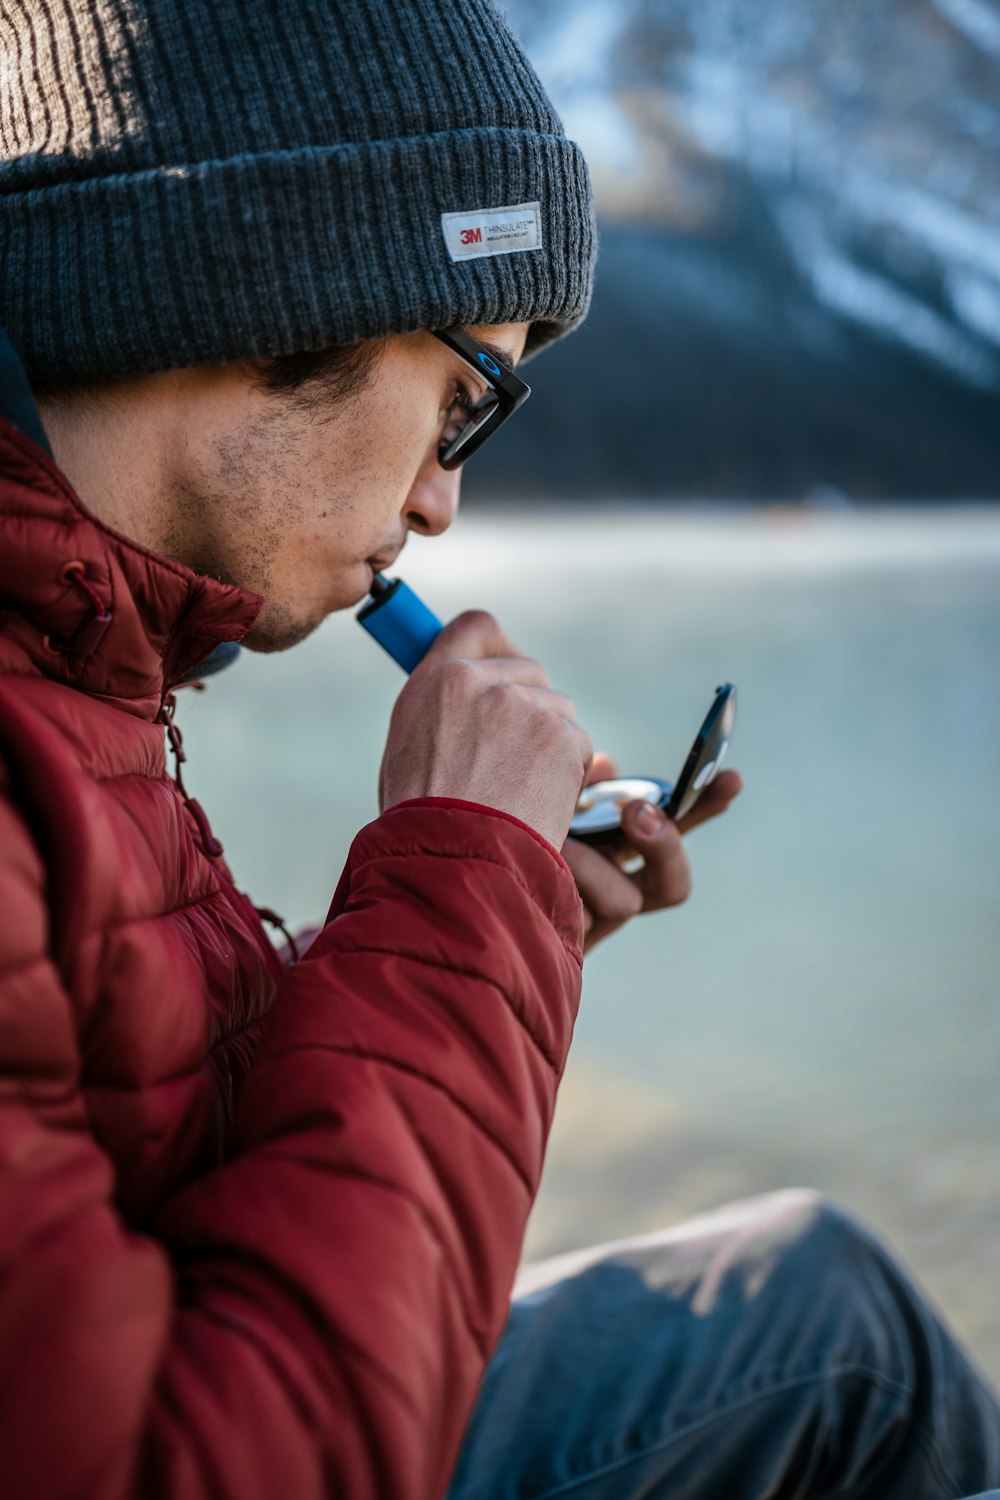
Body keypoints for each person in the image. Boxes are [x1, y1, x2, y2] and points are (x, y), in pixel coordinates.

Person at [0, 2, 997, 1496]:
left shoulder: (84, 657)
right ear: (276, 289)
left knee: (828, 1317)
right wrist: (458, 873)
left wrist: (505, 928)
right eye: (465, 404)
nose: (439, 507)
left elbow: (148, 1136)